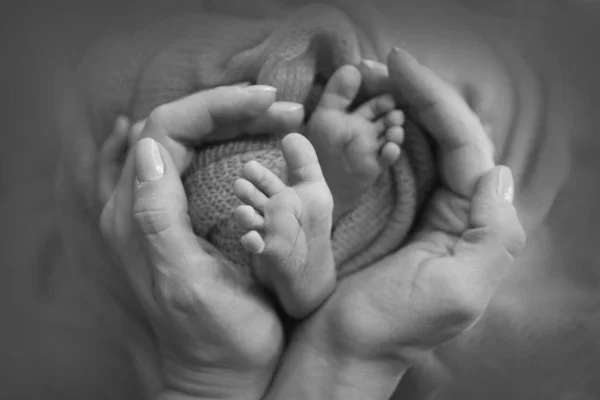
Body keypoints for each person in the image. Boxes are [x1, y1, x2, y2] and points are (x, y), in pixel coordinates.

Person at [99, 47, 525, 399]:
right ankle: (319, 221)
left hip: (188, 291)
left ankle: (312, 224)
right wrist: (349, 364)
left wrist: (209, 379)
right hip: (313, 248)